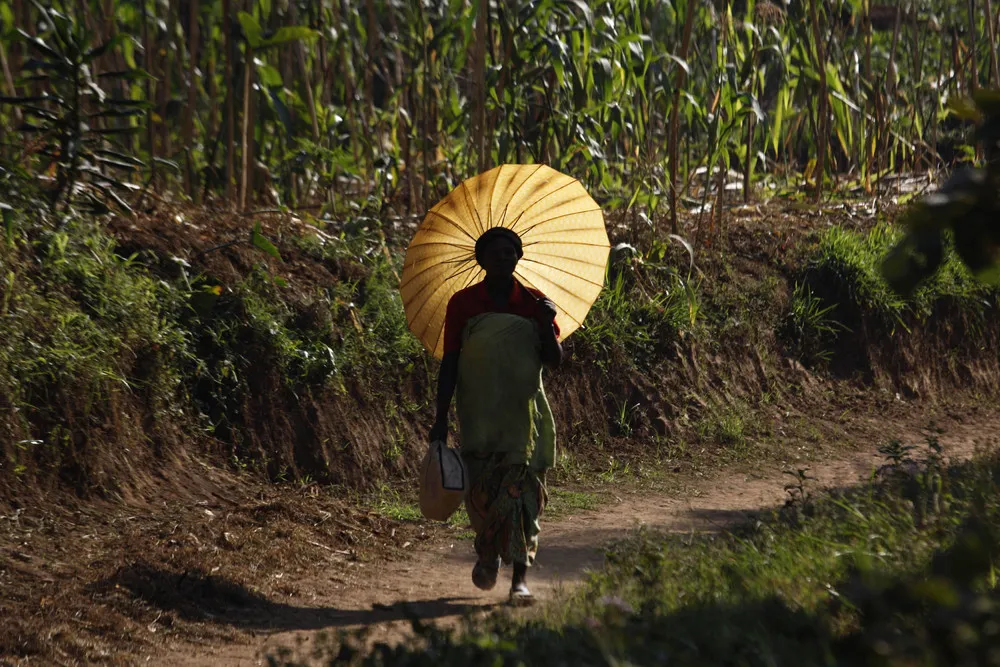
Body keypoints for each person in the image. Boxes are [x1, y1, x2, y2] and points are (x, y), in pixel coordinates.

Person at [429, 226, 562, 605]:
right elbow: (451, 362)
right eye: (497, 253)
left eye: (511, 252)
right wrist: (440, 417)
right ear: (481, 261)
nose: (505, 258)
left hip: (526, 418)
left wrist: (546, 324)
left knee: (525, 499)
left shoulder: (536, 302)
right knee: (483, 493)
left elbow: (555, 362)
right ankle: (488, 554)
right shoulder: (463, 304)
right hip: (480, 416)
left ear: (519, 257)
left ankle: (520, 578)